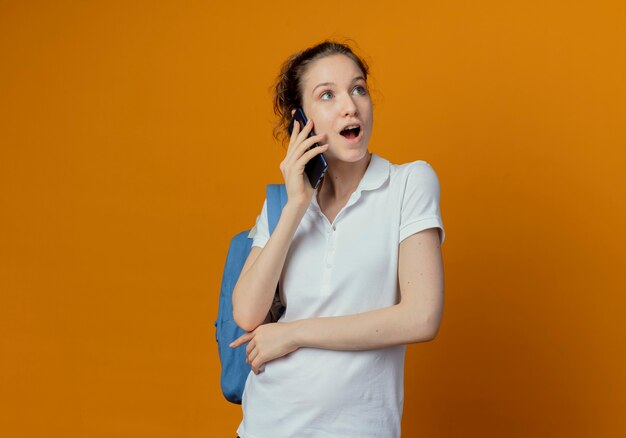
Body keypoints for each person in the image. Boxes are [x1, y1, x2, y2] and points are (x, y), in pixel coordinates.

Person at [229, 40, 445, 437]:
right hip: (266, 426)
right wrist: (297, 203)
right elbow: (246, 313)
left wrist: (294, 333)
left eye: (358, 88)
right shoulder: (283, 204)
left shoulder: (408, 184)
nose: (351, 105)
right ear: (301, 121)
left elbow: (421, 317)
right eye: (327, 95)